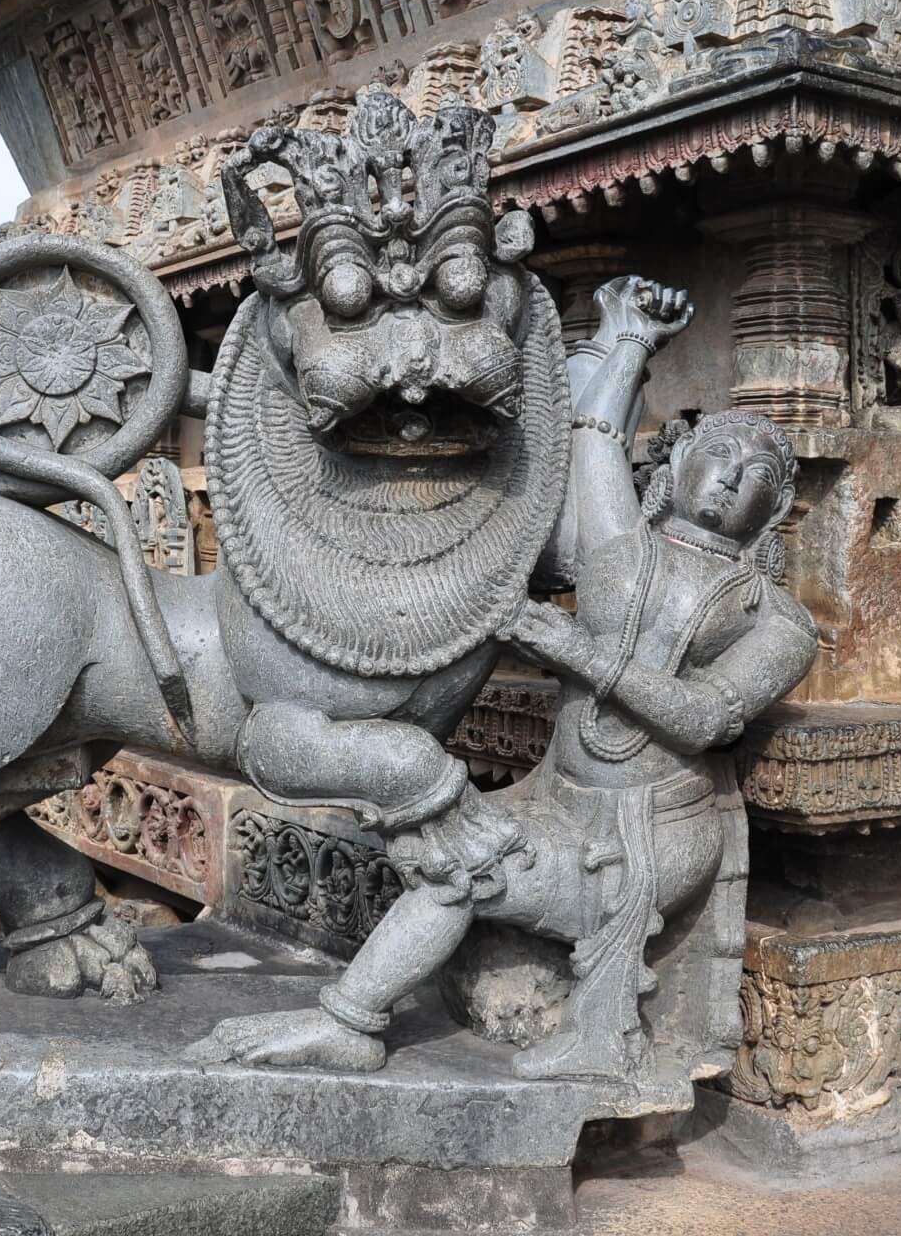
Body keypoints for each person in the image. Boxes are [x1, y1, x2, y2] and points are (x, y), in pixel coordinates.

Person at [191, 277, 817, 1080]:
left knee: (464, 873)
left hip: (651, 832)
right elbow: (590, 434)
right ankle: (349, 1019)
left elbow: (703, 719)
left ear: (777, 503)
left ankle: (357, 1023)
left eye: (757, 468)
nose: (731, 477)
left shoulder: (777, 619)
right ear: (681, 457)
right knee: (442, 848)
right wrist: (628, 339)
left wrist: (575, 651)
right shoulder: (625, 547)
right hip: (559, 797)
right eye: (719, 453)